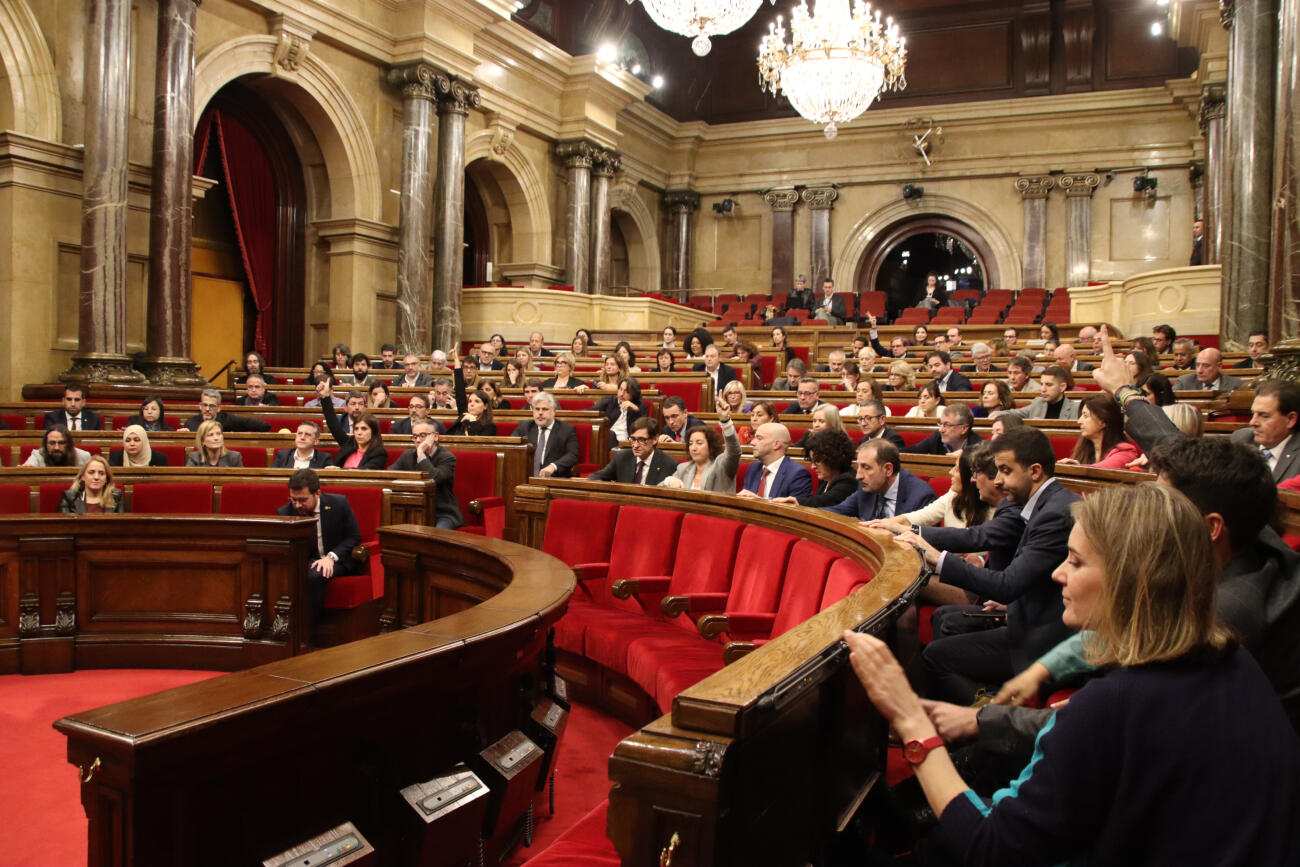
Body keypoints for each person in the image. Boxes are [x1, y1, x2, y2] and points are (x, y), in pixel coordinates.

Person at [845, 483, 1300, 867]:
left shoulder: (1117, 704)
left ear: (1134, 581)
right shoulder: (1229, 657)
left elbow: (992, 846)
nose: (1059, 574)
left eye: (1077, 562)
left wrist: (912, 725)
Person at [894, 426, 1080, 705]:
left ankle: (984, 720)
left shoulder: (1054, 514)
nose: (998, 481)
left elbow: (1007, 584)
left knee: (936, 656)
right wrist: (1014, 603)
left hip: (1042, 643)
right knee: (943, 636)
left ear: (1035, 471)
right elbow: (1034, 580)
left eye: (1005, 471)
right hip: (1026, 619)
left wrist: (936, 556)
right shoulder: (1045, 505)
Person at [278, 468, 363, 636]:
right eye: (293, 499)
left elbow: (354, 537)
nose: (297, 505)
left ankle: (306, 635)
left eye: (302, 500)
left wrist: (331, 557)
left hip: (338, 561)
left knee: (316, 574)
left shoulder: (339, 504)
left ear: (317, 493)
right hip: (305, 561)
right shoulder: (286, 512)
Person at [822, 439, 935, 520]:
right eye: (858, 467)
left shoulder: (920, 496)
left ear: (888, 469)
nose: (858, 476)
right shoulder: (867, 488)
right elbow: (837, 511)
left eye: (866, 468)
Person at [390, 420, 464, 529]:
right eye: (415, 436)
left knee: (438, 535)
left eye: (422, 436)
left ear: (435, 436)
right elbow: (389, 475)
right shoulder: (407, 456)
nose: (418, 440)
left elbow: (433, 478)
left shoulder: (447, 457)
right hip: (413, 510)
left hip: (442, 513)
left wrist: (420, 454)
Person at [661, 402, 742, 492]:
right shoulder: (683, 468)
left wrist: (725, 421)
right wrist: (668, 480)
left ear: (711, 445)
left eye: (699, 443)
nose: (693, 448)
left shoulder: (721, 466)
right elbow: (658, 490)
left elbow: (734, 451)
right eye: (691, 443)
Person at [1230, 379, 1300, 482]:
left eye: (1264, 416)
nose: (1252, 422)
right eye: (1253, 414)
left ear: (1290, 419)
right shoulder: (1241, 440)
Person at [773, 428, 857, 507]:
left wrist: (797, 501)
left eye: (816, 461)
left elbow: (823, 501)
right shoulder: (826, 479)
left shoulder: (848, 480)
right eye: (812, 461)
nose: (813, 466)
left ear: (833, 458)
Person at [316, 380, 388, 469]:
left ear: (373, 431)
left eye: (364, 429)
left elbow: (365, 473)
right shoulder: (350, 443)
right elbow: (333, 424)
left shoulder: (379, 452)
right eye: (356, 429)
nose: (359, 432)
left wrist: (340, 471)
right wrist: (325, 397)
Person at [1059, 395, 1142, 468]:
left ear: (1103, 421)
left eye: (1085, 416)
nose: (1079, 421)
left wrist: (1077, 468)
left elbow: (1103, 470)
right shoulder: (1085, 449)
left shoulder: (1126, 451)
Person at [591, 417, 677, 485]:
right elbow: (596, 477)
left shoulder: (668, 464)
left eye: (642, 440)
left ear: (655, 439)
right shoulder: (622, 458)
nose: (635, 445)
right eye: (633, 439)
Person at [512, 391, 579, 478]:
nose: (540, 413)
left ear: (554, 411)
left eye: (544, 409)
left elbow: (572, 455)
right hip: (524, 476)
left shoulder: (566, 430)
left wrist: (553, 466)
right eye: (537, 409)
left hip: (553, 479)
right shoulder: (524, 427)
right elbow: (512, 446)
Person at [738, 423, 812, 500]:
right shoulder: (753, 468)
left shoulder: (797, 474)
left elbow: (796, 509)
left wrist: (760, 502)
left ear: (776, 444)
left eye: (759, 438)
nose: (752, 443)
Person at [999, 365, 1079, 420]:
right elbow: (1014, 413)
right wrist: (997, 414)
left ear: (1062, 387)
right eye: (1042, 384)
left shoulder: (1075, 408)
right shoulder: (1038, 403)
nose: (1043, 389)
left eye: (1048, 385)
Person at [904, 403, 984, 455]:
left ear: (964, 428)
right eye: (941, 424)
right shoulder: (937, 437)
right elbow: (914, 450)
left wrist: (966, 454)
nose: (941, 429)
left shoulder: (980, 446)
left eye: (947, 425)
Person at [178, 388, 272, 433]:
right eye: (205, 405)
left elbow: (264, 426)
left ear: (219, 408)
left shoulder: (228, 419)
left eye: (211, 406)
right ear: (200, 406)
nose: (207, 409)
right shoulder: (191, 423)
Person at [448, 355, 497, 436]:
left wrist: (473, 422)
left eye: (477, 401)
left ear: (485, 406)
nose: (472, 404)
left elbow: (478, 444)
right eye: (470, 401)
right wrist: (456, 359)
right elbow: (460, 391)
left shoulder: (490, 427)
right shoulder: (463, 417)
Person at [58, 455, 125, 513]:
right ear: (83, 476)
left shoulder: (116, 497)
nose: (96, 477)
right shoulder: (70, 498)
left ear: (106, 478)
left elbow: (120, 526)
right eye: (91, 472)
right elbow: (64, 526)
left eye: (101, 473)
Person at [593, 376, 646, 448]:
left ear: (633, 394)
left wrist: (635, 410)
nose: (621, 394)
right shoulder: (609, 401)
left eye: (626, 391)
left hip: (627, 444)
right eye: (621, 389)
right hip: (608, 439)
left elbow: (644, 430)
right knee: (610, 435)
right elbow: (590, 412)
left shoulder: (639, 407)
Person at [1173, 347, 1245, 392]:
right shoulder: (1184, 383)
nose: (1199, 371)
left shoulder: (1236, 385)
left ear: (1219, 366)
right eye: (1197, 365)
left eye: (1206, 366)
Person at [24, 425, 91, 467]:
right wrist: (27, 468)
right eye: (52, 443)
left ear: (68, 444)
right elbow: (29, 467)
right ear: (46, 444)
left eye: (61, 443)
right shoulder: (37, 455)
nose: (56, 447)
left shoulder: (84, 457)